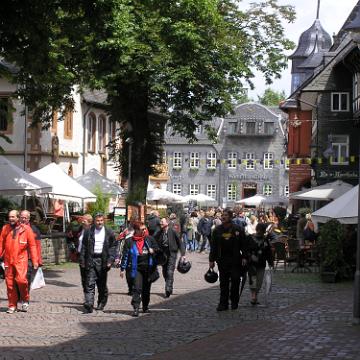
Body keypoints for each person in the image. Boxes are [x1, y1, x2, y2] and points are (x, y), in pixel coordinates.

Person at [209, 208, 248, 311]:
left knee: (235, 281)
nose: (223, 217)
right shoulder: (217, 230)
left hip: (235, 259)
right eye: (223, 215)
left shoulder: (238, 229)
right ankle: (223, 303)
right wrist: (211, 260)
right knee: (223, 283)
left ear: (230, 217)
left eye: (226, 215)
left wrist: (244, 256)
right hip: (222, 260)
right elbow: (213, 246)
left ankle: (234, 301)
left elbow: (244, 244)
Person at [0, 210, 39, 313]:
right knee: (10, 284)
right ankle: (12, 305)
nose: (11, 219)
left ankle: (25, 298)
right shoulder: (5, 228)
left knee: (22, 281)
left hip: (21, 260)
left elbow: (32, 246)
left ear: (18, 218)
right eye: (9, 217)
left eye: (13, 217)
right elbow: (1, 244)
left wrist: (35, 260)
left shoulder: (26, 229)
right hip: (8, 260)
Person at [80, 212, 117, 313]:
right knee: (89, 282)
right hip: (91, 259)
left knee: (101, 284)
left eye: (101, 221)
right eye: (97, 221)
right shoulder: (88, 231)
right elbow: (83, 247)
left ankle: (101, 301)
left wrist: (110, 260)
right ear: (94, 221)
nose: (100, 223)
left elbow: (113, 246)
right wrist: (82, 260)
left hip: (103, 260)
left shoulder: (109, 232)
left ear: (103, 221)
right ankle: (89, 304)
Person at [120, 221, 159, 316]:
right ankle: (136, 307)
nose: (145, 231)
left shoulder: (150, 239)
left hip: (148, 268)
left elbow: (158, 250)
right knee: (137, 288)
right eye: (142, 229)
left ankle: (145, 306)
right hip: (136, 268)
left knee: (146, 290)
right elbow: (125, 256)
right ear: (136, 230)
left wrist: (153, 250)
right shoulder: (129, 241)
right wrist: (122, 269)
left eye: (145, 229)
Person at [158, 217, 186, 298]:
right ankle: (169, 284)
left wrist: (183, 254)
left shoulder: (173, 231)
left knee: (170, 271)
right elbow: (156, 241)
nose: (160, 223)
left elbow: (180, 243)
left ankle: (168, 289)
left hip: (172, 254)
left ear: (167, 223)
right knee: (164, 272)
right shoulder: (160, 232)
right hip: (163, 255)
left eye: (162, 222)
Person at [247, 223, 274, 305]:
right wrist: (248, 256)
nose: (259, 232)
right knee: (252, 279)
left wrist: (270, 262)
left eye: (261, 231)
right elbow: (246, 249)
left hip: (261, 263)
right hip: (251, 263)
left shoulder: (265, 240)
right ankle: (253, 296)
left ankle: (255, 295)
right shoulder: (250, 238)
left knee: (259, 281)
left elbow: (268, 252)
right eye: (259, 230)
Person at [19, 210, 43, 291]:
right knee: (18, 278)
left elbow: (38, 246)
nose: (23, 219)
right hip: (17, 257)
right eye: (21, 217)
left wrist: (38, 261)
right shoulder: (15, 228)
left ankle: (25, 295)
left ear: (28, 219)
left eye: (25, 218)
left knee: (27, 277)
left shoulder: (34, 230)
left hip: (28, 258)